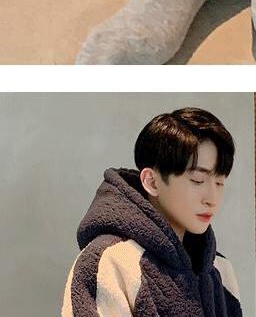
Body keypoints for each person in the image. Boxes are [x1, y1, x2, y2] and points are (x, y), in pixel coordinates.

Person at [62, 108, 242, 316]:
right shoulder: (110, 262)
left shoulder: (220, 269)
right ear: (152, 182)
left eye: (219, 183)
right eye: (197, 181)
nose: (212, 199)